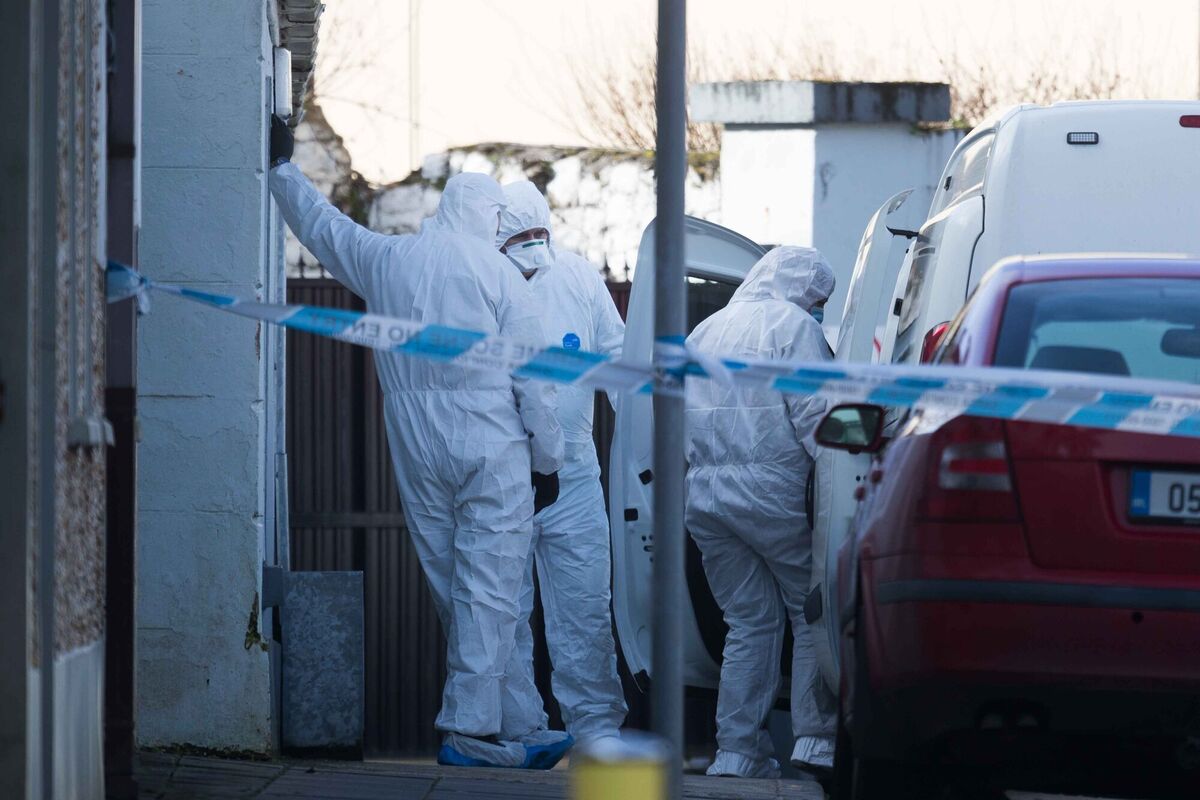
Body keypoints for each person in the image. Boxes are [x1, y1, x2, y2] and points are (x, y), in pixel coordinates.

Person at [266, 117, 570, 769]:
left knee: (458, 583)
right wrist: (548, 461)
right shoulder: (500, 276)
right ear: (489, 218)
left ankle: (518, 719)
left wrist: (282, 172)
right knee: (493, 587)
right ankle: (469, 730)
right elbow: (537, 380)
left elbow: (327, 229)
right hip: (494, 447)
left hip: (415, 445)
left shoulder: (390, 261)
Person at [683, 246, 839, 779]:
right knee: (811, 611)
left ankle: (737, 752)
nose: (818, 308)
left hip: (705, 496)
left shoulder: (705, 330)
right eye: (818, 298)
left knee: (748, 622)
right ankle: (817, 742)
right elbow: (820, 416)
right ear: (800, 286)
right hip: (774, 493)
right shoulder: (793, 326)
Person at [492, 180, 629, 744]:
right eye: (520, 238)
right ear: (496, 241)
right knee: (505, 610)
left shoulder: (576, 277)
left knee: (585, 607)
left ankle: (597, 732)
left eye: (539, 236)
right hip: (504, 476)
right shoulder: (482, 283)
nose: (532, 246)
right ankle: (521, 731)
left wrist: (644, 440)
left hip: (573, 474)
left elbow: (617, 359)